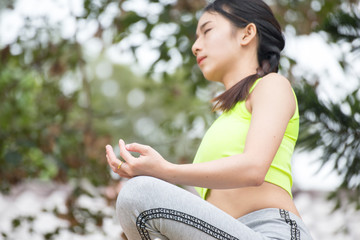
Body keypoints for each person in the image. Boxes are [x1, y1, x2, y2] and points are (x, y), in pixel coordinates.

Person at [105, 0, 313, 239]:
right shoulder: (223, 120)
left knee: (139, 194)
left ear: (247, 33)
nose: (195, 46)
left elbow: (254, 168)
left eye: (207, 31)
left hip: (272, 232)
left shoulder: (272, 85)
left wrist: (167, 171)